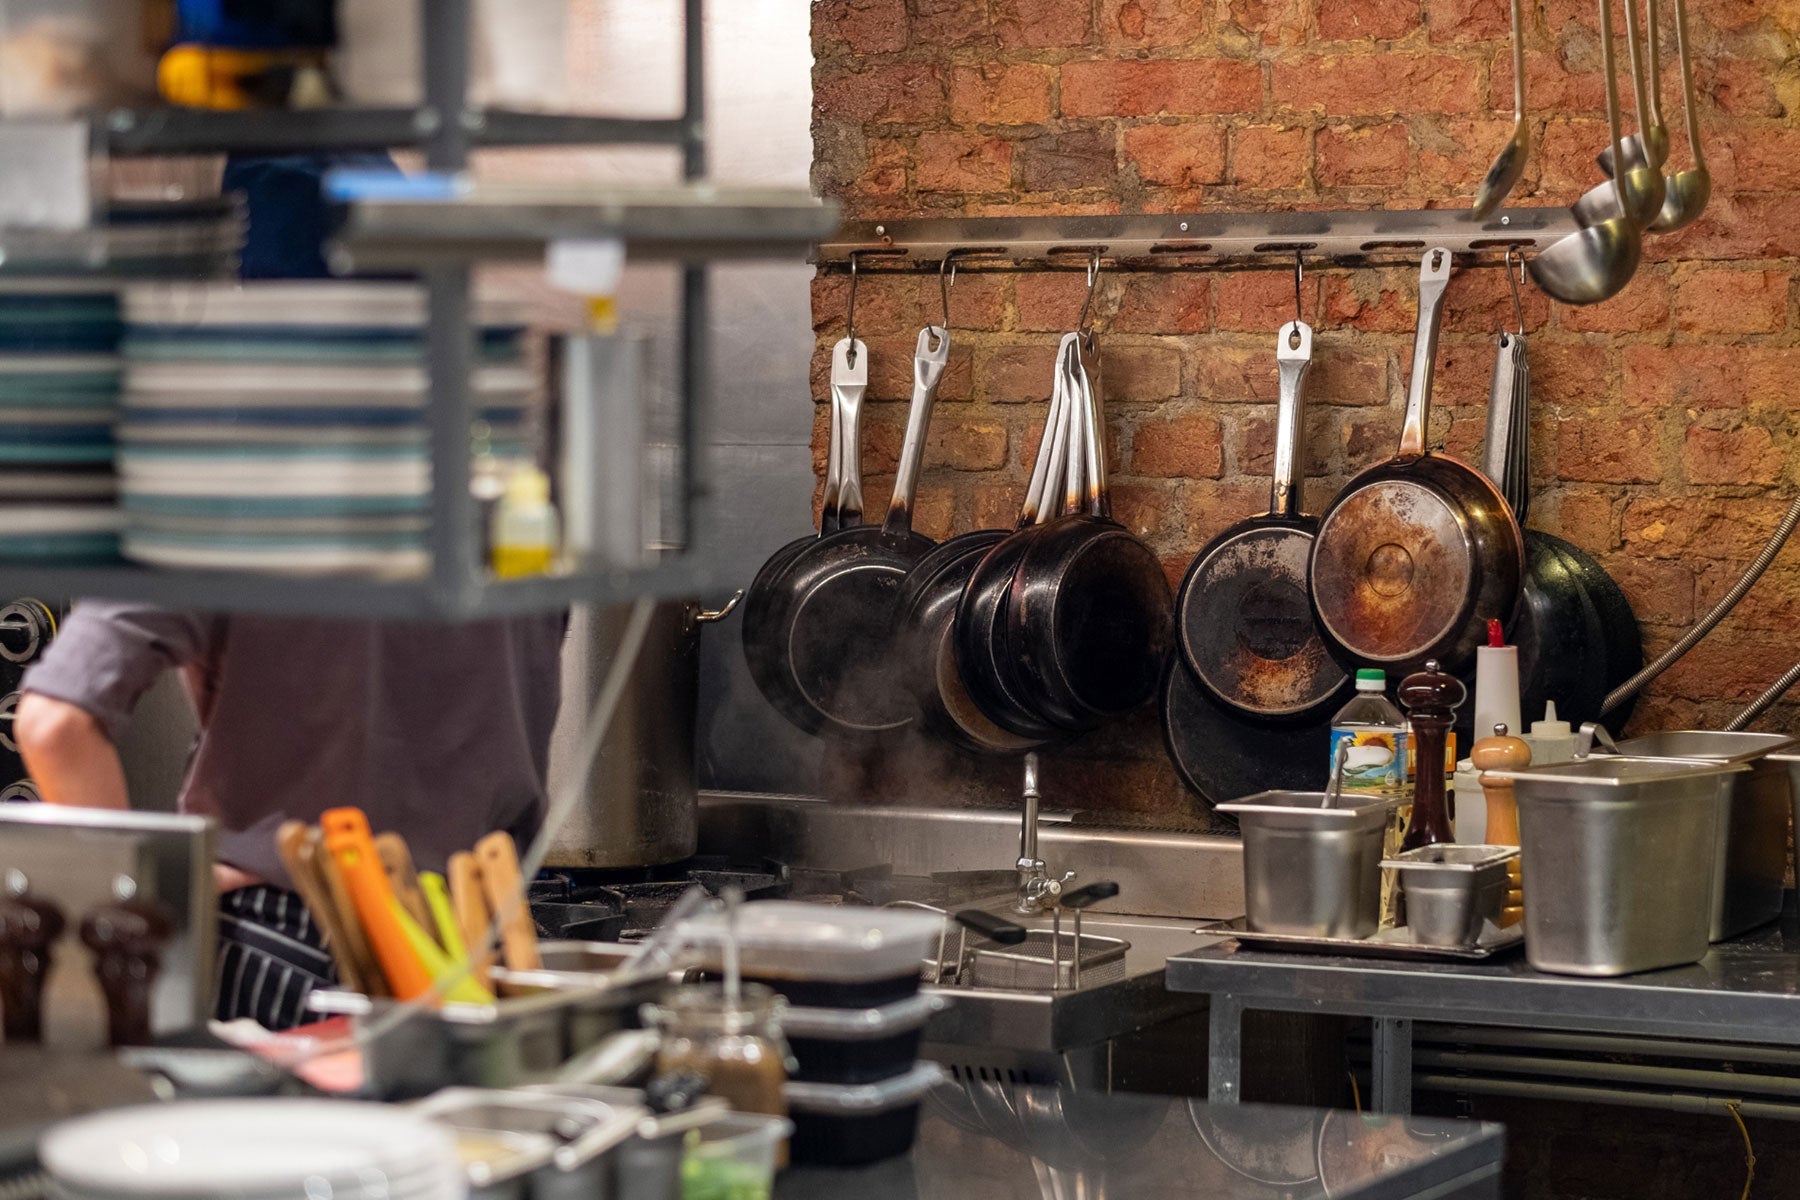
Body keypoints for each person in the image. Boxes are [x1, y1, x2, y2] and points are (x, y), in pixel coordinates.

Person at [13, 155, 568, 1029]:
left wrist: (148, 893)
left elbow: (54, 721)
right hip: (476, 948)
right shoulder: (519, 492)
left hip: (292, 954)